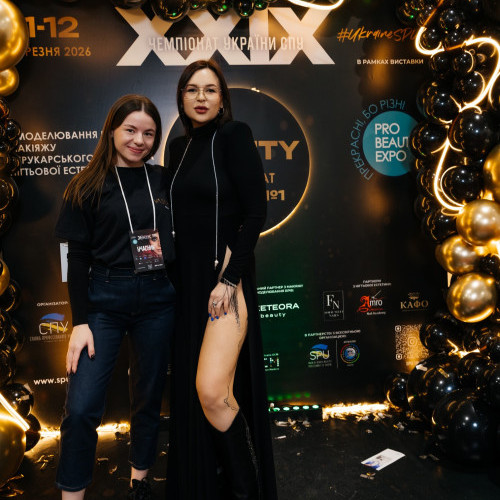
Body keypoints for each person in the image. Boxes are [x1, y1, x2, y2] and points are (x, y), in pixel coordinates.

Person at [165, 60, 277, 499]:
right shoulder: (177, 148)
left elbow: (256, 213)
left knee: (212, 391)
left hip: (223, 284)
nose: (201, 97)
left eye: (210, 90)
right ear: (182, 98)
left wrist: (229, 279)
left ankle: (248, 492)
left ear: (222, 98)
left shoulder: (234, 135)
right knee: (206, 394)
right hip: (186, 287)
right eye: (192, 89)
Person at [54, 94, 176, 500]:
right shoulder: (86, 185)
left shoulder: (163, 180)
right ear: (111, 130)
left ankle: (139, 481)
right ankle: (72, 493)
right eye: (130, 130)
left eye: (149, 133)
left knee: (148, 397)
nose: (139, 140)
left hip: (157, 298)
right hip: (104, 300)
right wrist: (80, 322)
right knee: (82, 407)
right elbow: (77, 258)